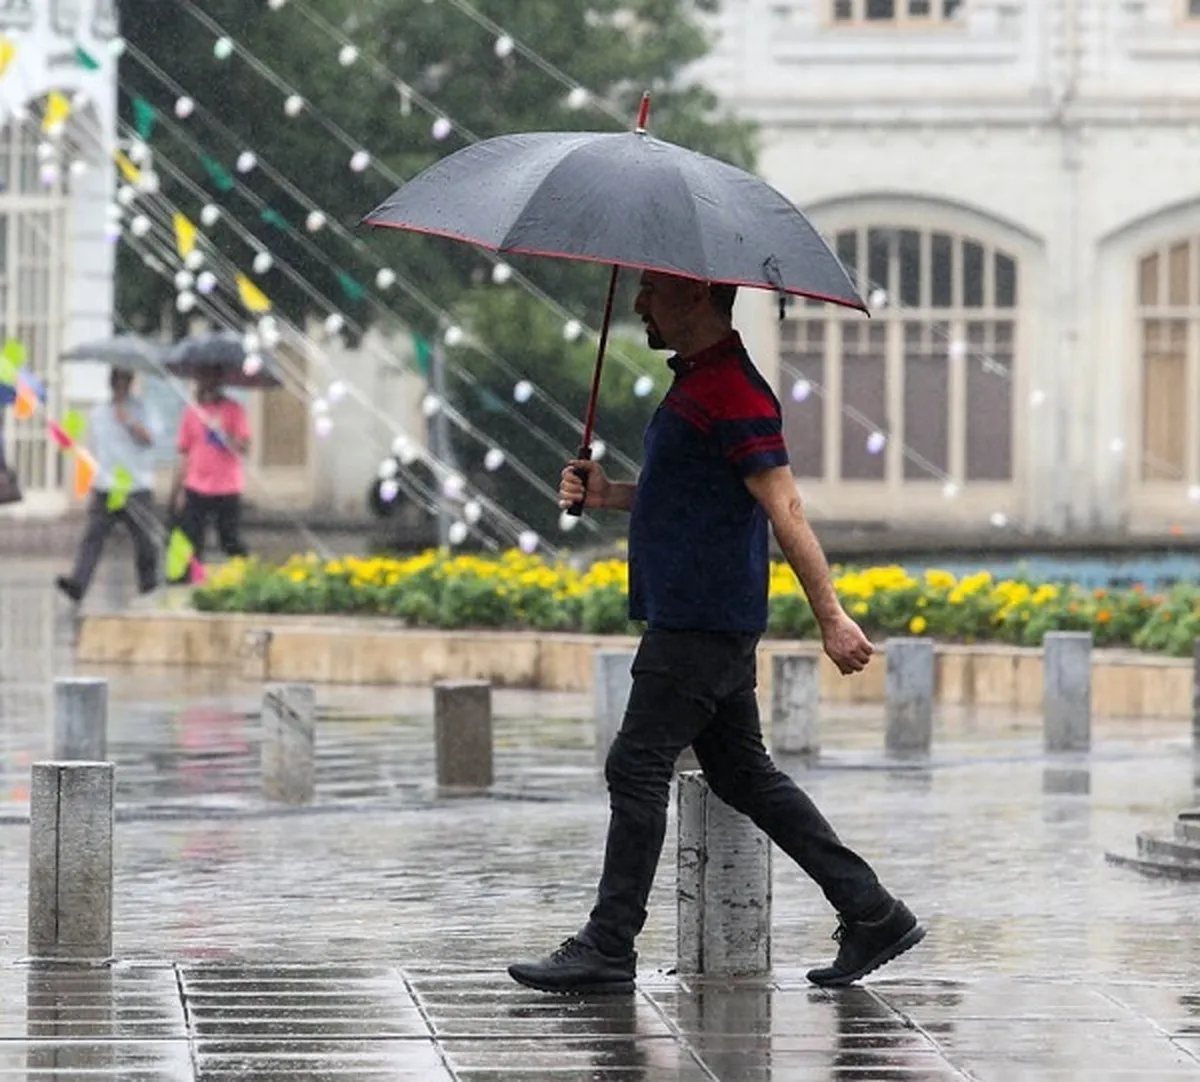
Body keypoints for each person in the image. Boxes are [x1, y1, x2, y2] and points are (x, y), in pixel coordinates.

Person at [508, 271, 925, 995]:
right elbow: (692, 492)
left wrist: (832, 616)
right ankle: (873, 912)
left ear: (698, 298)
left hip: (700, 621)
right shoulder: (700, 382)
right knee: (742, 774)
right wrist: (610, 496)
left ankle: (608, 945)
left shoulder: (732, 390)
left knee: (635, 766)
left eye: (653, 293)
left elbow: (783, 504)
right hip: (705, 615)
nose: (640, 304)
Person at [56, 367, 160, 603]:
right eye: (114, 380)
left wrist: (130, 422)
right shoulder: (99, 412)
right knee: (93, 537)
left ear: (130, 382)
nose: (118, 385)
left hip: (136, 485)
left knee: (145, 542)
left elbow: (151, 439)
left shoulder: (143, 409)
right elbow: (94, 448)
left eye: (123, 380)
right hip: (106, 485)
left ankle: (149, 586)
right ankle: (78, 584)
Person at [170, 364, 251, 574]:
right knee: (191, 539)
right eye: (203, 378)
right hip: (196, 485)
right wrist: (177, 490)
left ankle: (248, 572)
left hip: (227, 486)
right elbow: (185, 452)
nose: (207, 383)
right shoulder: (191, 412)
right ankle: (186, 581)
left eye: (212, 378)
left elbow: (244, 446)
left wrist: (224, 434)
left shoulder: (234, 410)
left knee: (229, 539)